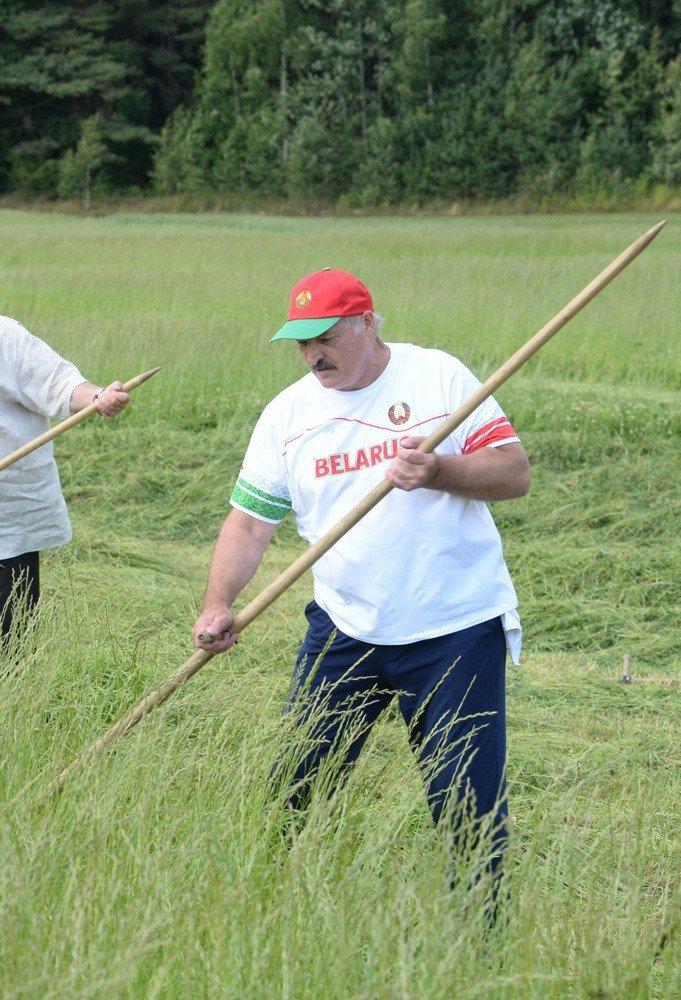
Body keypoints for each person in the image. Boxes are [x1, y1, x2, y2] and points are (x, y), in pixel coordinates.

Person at [193, 267, 530, 902]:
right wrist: (218, 604)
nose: (313, 354)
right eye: (302, 342)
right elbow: (250, 523)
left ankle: (479, 939)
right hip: (345, 625)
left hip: (453, 628)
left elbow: (513, 472)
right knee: (295, 786)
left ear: (368, 323)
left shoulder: (437, 377)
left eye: (327, 337)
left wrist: (439, 471)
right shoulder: (288, 415)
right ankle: (267, 905)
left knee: (467, 804)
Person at [0, 316, 130, 640]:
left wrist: (98, 396)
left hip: (10, 516)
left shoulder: (5, 337)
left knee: (11, 631)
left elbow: (59, 383)